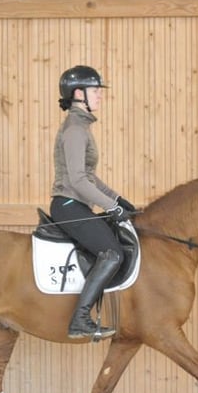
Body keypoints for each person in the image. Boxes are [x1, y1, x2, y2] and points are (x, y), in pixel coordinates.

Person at [50, 65, 137, 339]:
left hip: (76, 204)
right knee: (112, 253)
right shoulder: (75, 129)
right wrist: (112, 208)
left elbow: (90, 177)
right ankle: (80, 319)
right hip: (67, 205)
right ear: (79, 93)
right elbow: (77, 181)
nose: (100, 96)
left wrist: (118, 199)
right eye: (96, 91)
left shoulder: (81, 126)